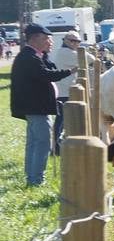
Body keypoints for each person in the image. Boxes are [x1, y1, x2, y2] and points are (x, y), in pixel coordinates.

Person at [10, 24, 72, 187]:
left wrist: (46, 54)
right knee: (43, 143)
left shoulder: (34, 55)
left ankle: (32, 177)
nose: (48, 42)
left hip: (35, 107)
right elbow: (45, 75)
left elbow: (47, 69)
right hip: (36, 108)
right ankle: (36, 179)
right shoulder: (29, 57)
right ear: (34, 38)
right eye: (45, 38)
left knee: (35, 143)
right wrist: (70, 72)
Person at [51, 33, 81, 155]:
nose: (76, 43)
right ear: (66, 41)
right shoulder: (66, 53)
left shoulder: (65, 52)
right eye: (73, 41)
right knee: (61, 119)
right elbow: (89, 59)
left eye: (78, 41)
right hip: (64, 91)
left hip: (65, 90)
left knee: (62, 119)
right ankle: (55, 146)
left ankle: (56, 145)